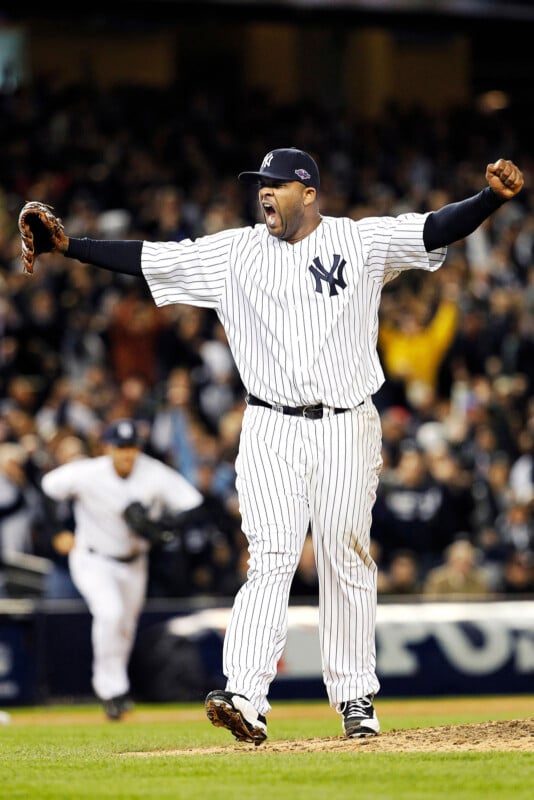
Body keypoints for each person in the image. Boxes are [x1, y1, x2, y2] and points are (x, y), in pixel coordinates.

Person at [21, 147, 524, 742]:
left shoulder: (357, 242)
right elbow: (148, 257)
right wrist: (68, 245)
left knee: (345, 554)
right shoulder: (234, 253)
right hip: (269, 426)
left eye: (277, 184)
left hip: (347, 423)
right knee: (271, 557)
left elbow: (434, 228)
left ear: (308, 193)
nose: (264, 193)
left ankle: (356, 699)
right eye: (259, 184)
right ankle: (245, 696)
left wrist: (490, 198)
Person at [40, 418, 203, 720]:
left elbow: (193, 505)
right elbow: (47, 489)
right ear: (107, 447)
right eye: (121, 447)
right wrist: (58, 529)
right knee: (110, 613)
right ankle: (110, 691)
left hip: (134, 563)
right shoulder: (88, 472)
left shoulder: (153, 472)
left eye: (132, 448)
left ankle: (118, 691)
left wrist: (161, 526)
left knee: (125, 628)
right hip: (93, 558)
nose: (127, 454)